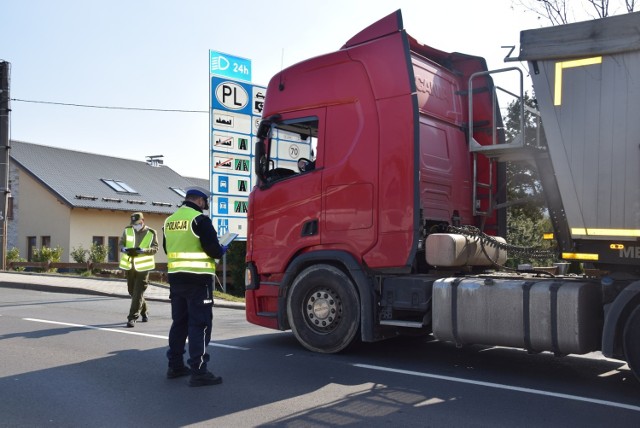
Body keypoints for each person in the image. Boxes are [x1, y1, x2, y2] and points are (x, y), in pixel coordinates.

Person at [163, 186, 227, 387]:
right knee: (200, 325)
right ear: (200, 201)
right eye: (205, 203)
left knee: (179, 323)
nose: (205, 206)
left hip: (176, 279)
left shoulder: (169, 221)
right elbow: (214, 251)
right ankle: (199, 371)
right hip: (198, 281)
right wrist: (223, 248)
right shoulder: (200, 220)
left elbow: (167, 249)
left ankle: (175, 366)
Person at [119, 212, 158, 328]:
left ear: (143, 221)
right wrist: (123, 248)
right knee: (132, 291)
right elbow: (121, 242)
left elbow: (155, 248)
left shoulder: (151, 232)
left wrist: (144, 250)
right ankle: (144, 311)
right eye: (133, 224)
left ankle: (132, 318)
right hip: (130, 266)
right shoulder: (127, 230)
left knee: (138, 292)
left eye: (137, 224)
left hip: (143, 268)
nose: (135, 226)